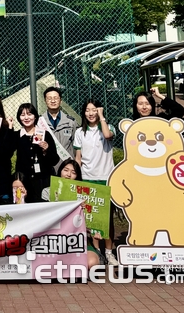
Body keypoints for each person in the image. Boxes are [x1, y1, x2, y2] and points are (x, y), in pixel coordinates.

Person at [73, 99, 118, 266]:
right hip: (87, 178)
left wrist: (102, 117)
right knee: (91, 219)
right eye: (87, 110)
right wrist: (77, 178)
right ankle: (97, 251)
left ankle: (109, 251)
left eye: (94, 110)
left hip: (106, 178)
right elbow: (78, 158)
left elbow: (107, 136)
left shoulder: (107, 127)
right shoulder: (79, 132)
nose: (90, 113)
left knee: (107, 218)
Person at [53, 159, 102, 268]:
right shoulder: (48, 191)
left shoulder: (84, 196)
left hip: (79, 239)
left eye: (73, 172)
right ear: (60, 171)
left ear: (77, 176)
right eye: (65, 170)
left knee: (92, 263)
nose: (68, 175)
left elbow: (93, 220)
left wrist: (96, 233)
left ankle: (97, 253)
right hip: (55, 239)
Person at [14, 103, 60, 203]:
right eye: (22, 115)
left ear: (35, 116)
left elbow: (55, 160)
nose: (26, 117)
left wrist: (46, 150)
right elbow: (6, 151)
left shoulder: (44, 134)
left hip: (43, 181)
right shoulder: (17, 136)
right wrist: (9, 129)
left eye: (29, 114)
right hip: (24, 182)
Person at [41, 87, 77, 167]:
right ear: (45, 101)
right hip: (47, 166)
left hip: (66, 167)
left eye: (55, 98)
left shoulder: (71, 122)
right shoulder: (39, 122)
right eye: (49, 98)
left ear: (60, 100)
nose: (53, 101)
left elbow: (76, 146)